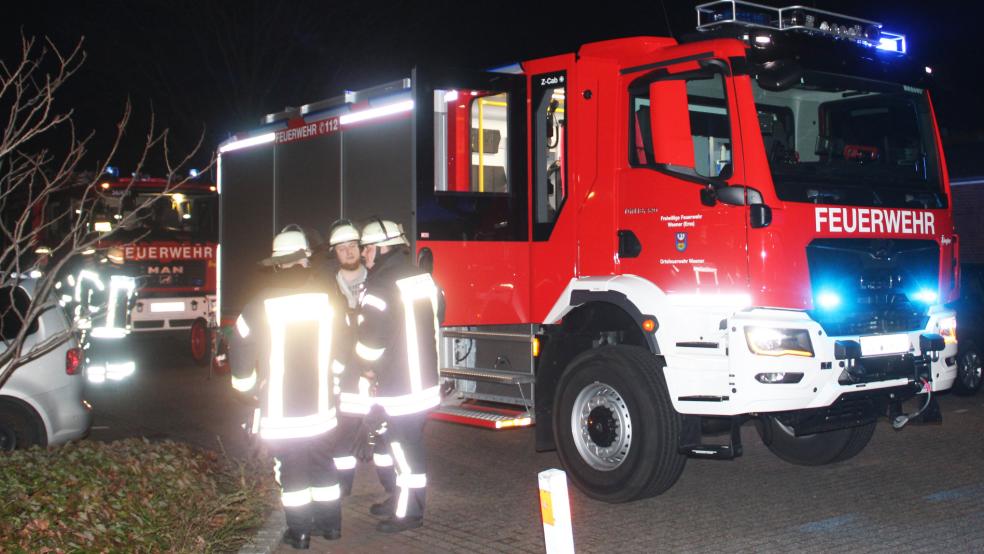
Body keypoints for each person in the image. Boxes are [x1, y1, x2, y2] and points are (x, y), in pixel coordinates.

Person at [229, 225, 343, 550]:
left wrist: (249, 388)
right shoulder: (328, 299)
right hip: (322, 406)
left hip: (282, 411)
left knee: (293, 471)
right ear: (304, 260)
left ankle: (301, 533)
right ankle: (331, 527)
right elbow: (343, 347)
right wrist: (332, 381)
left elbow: (240, 351)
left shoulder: (258, 304)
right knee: (323, 464)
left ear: (277, 264)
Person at [341, 218, 440, 533]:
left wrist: (365, 369)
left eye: (368, 248)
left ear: (383, 248)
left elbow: (370, 343)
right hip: (424, 380)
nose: (364, 254)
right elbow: (440, 314)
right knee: (400, 445)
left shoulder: (380, 286)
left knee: (404, 450)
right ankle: (399, 499)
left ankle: (410, 513)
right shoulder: (422, 278)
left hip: (400, 387)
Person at [325, 220, 397, 500]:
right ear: (335, 253)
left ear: (362, 247)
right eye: (342, 248)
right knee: (343, 434)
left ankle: (391, 487)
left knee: (384, 434)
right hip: (345, 373)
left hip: (377, 371)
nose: (349, 252)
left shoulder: (378, 279)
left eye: (353, 245)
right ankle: (342, 488)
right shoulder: (326, 287)